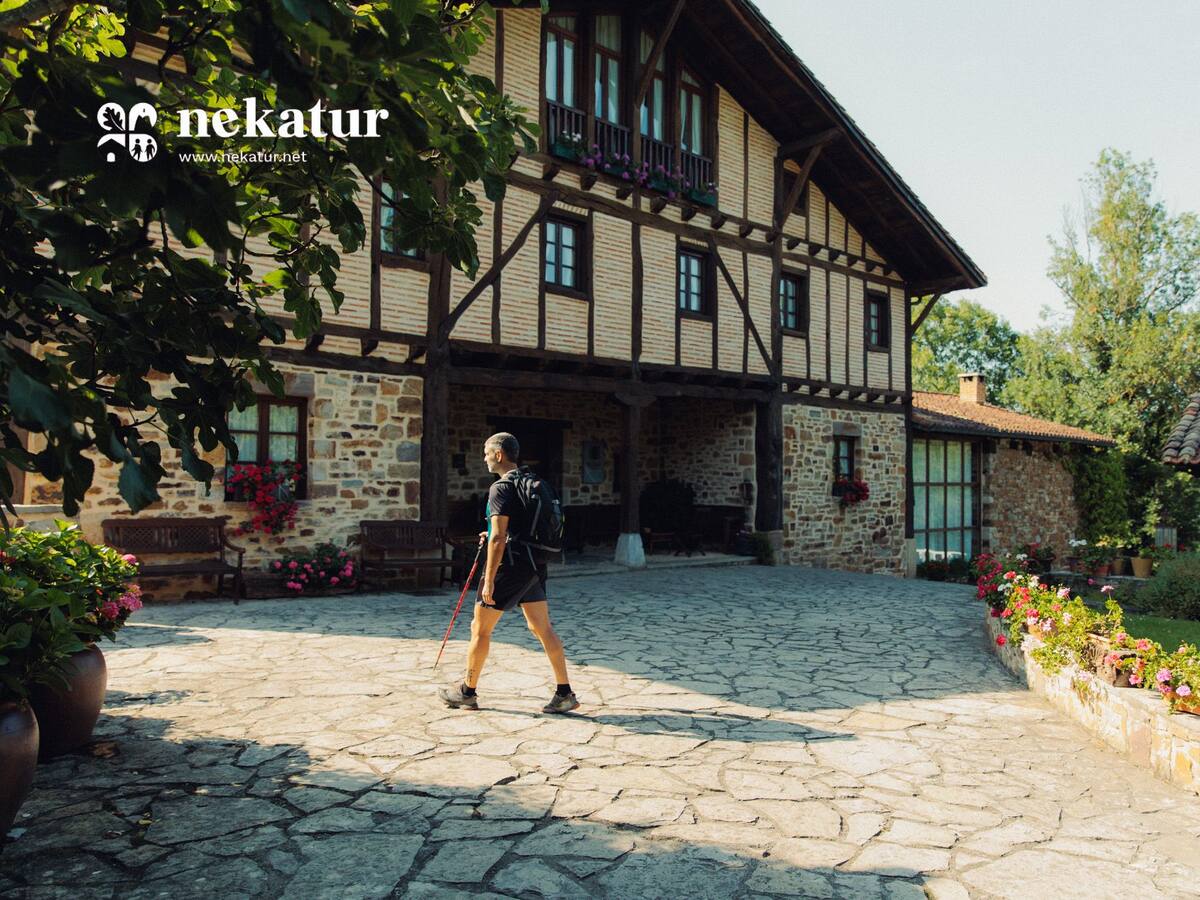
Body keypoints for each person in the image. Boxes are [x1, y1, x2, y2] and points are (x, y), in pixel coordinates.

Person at [439, 432, 579, 714]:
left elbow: (498, 538)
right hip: (534, 565)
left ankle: (467, 692)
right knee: (541, 627)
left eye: (486, 452)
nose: (485, 458)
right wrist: (492, 532)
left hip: (510, 565)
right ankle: (564, 693)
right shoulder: (531, 483)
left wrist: (489, 578)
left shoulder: (501, 488)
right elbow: (515, 529)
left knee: (480, 628)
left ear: (499, 455)